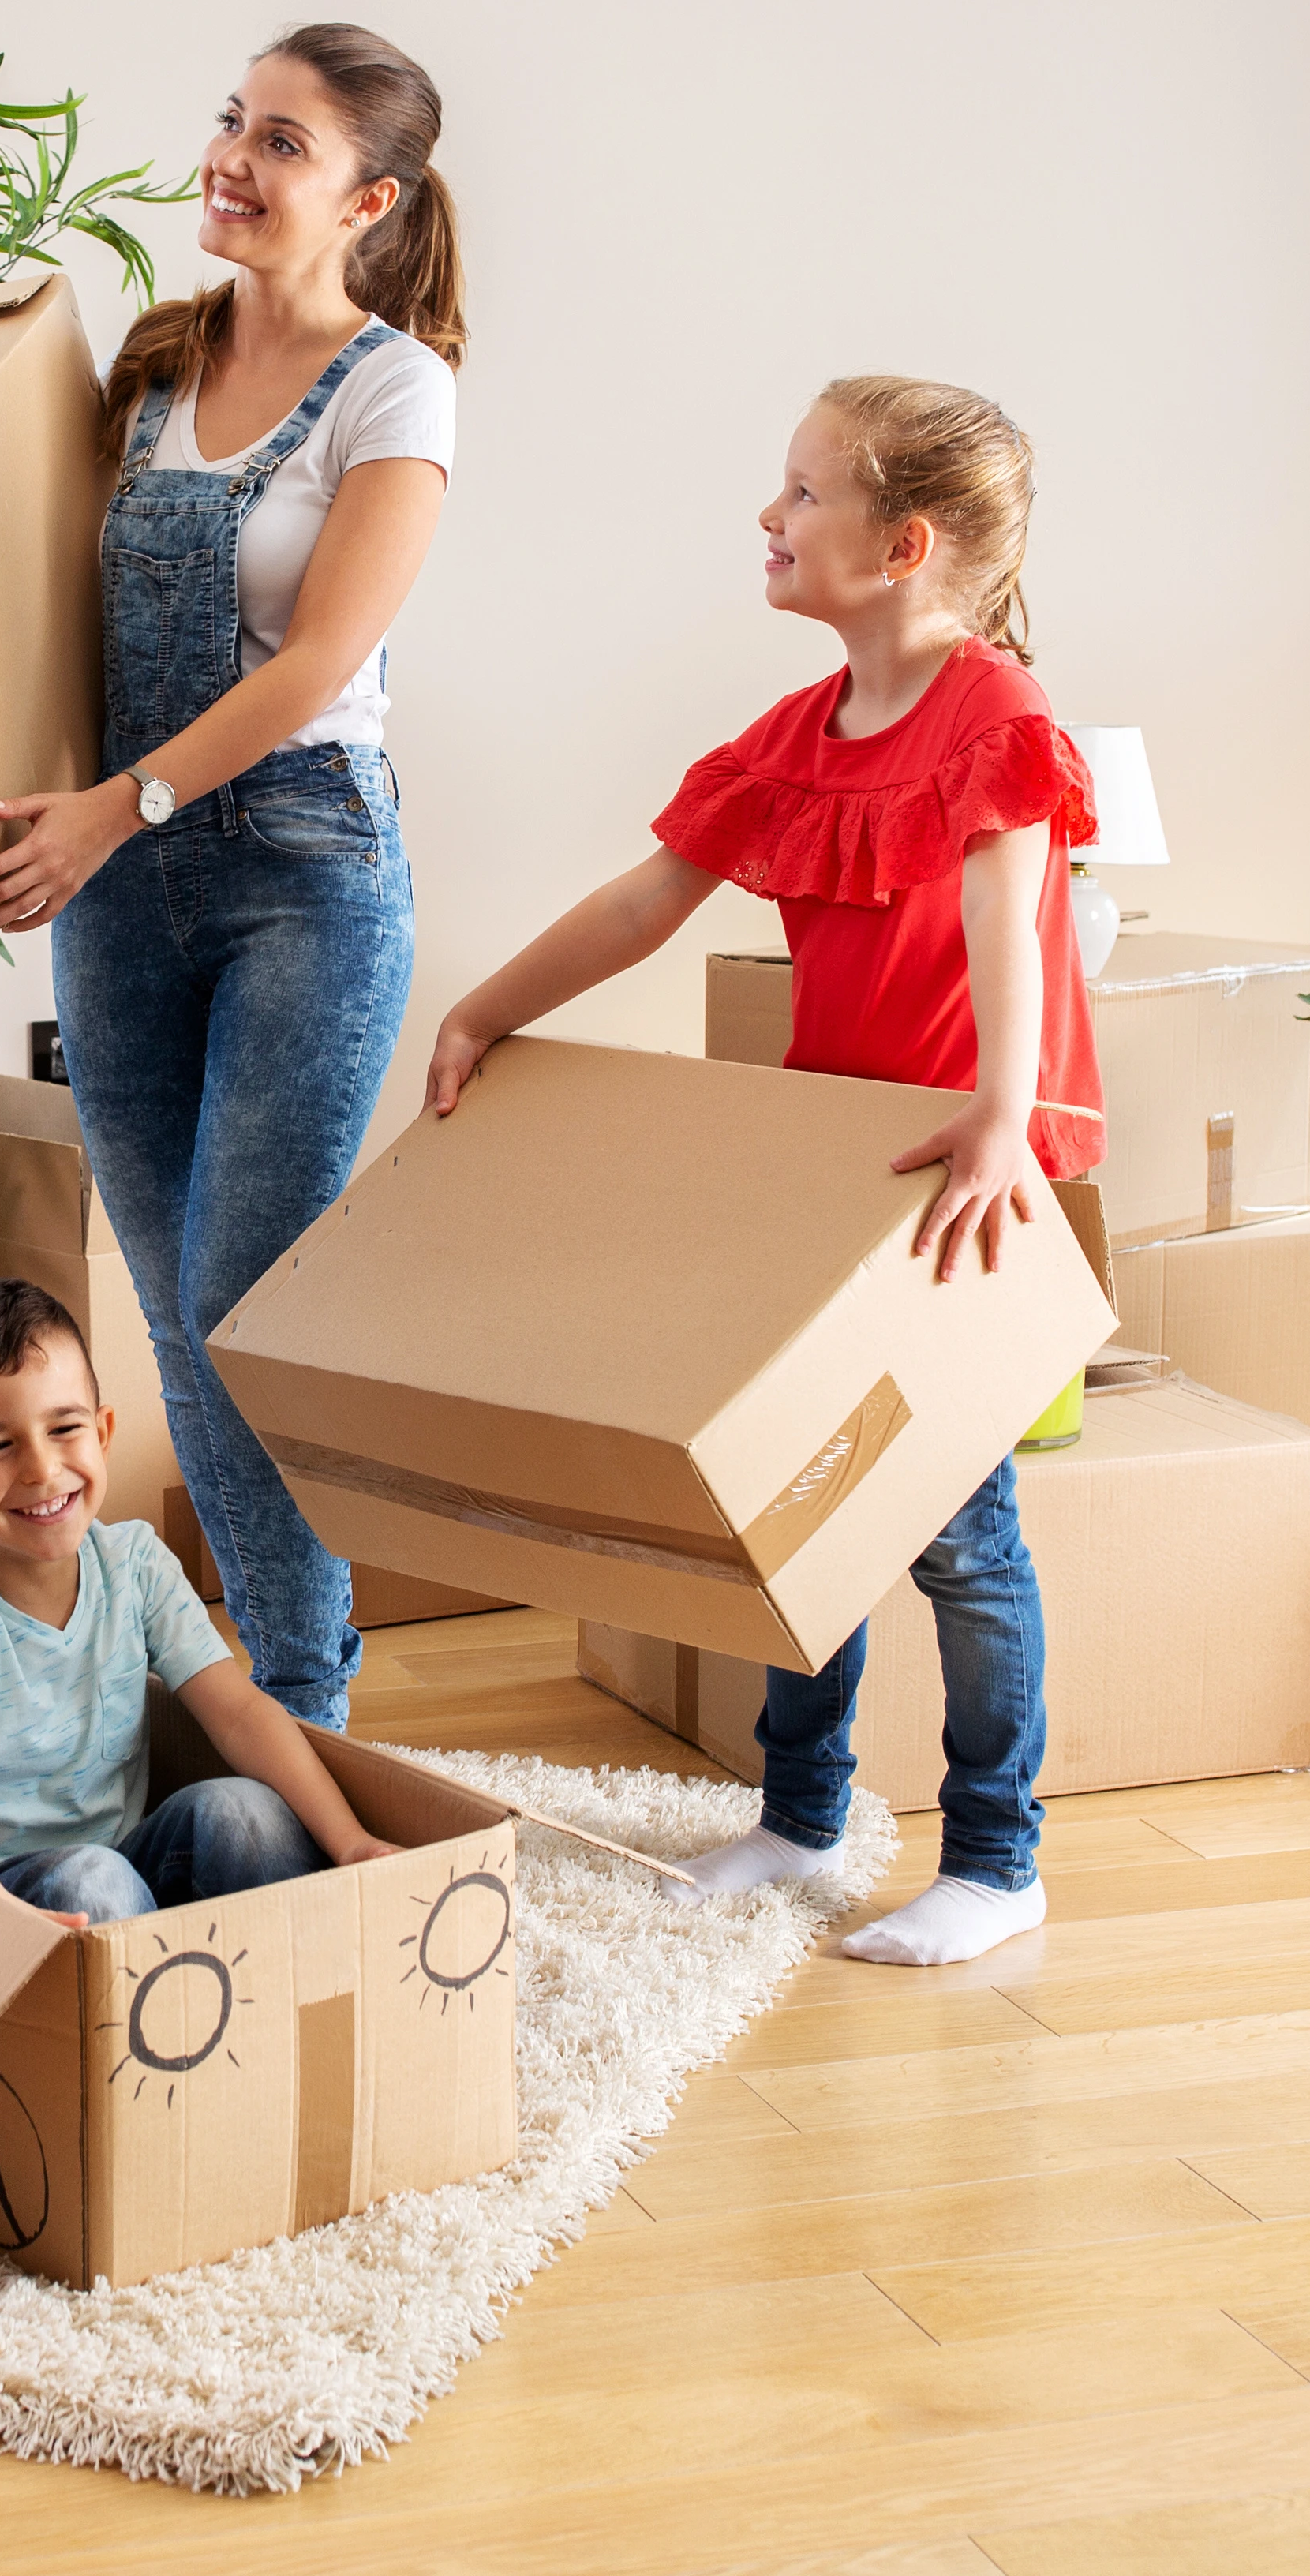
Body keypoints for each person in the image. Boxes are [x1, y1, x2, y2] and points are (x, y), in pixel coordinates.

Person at [0, 27, 462, 1733]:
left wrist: (121, 805)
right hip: (120, 891)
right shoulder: (150, 364)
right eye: (233, 121)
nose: (233, 157)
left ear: (369, 200)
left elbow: (320, 661)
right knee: (172, 1320)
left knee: (243, 1304)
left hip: (300, 871)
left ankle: (301, 1709)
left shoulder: (396, 387)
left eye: (286, 142)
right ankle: (246, 1691)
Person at [422, 378, 1095, 1968]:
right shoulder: (801, 736)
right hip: (835, 1165)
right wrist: (483, 1009)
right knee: (816, 1507)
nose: (769, 519)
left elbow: (1012, 923)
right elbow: (648, 901)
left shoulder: (994, 716)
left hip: (970, 1166)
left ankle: (1000, 1861)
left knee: (957, 1532)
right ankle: (804, 1819)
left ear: (902, 541)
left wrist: (1005, 1112)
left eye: (801, 493)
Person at [0, 1279, 399, 1924]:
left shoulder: (133, 1565)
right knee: (93, 1877)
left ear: (103, 1432)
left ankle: (293, 1983)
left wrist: (351, 1841)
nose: (42, 1470)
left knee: (250, 1813)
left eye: (64, 1428)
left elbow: (241, 1714)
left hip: (123, 1865)